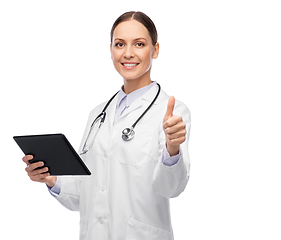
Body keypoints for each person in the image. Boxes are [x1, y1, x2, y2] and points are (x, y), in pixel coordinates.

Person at [23, 11, 191, 240]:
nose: (128, 53)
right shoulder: (97, 115)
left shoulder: (171, 112)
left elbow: (170, 188)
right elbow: (86, 193)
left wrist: (172, 149)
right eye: (120, 44)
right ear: (111, 50)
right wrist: (49, 178)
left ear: (156, 50)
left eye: (139, 44)